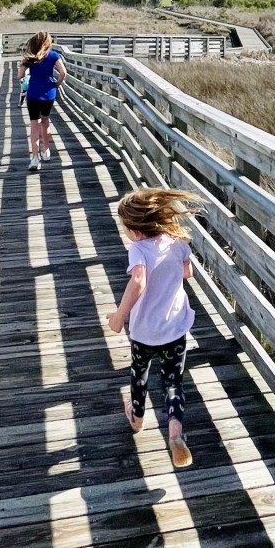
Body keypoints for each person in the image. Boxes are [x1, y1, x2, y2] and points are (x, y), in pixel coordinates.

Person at [104, 187, 203, 468]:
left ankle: (136, 419)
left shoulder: (137, 249)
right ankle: (175, 432)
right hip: (175, 328)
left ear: (135, 230)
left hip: (144, 331)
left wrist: (120, 315)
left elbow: (138, 281)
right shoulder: (177, 242)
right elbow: (188, 273)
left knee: (140, 373)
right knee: (173, 380)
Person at [18, 30, 66, 173]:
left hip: (33, 94)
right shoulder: (53, 55)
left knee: (34, 125)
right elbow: (63, 72)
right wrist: (56, 84)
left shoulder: (30, 58)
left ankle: (34, 158)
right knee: (45, 121)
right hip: (49, 94)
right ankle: (46, 151)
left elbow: (19, 76)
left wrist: (26, 72)